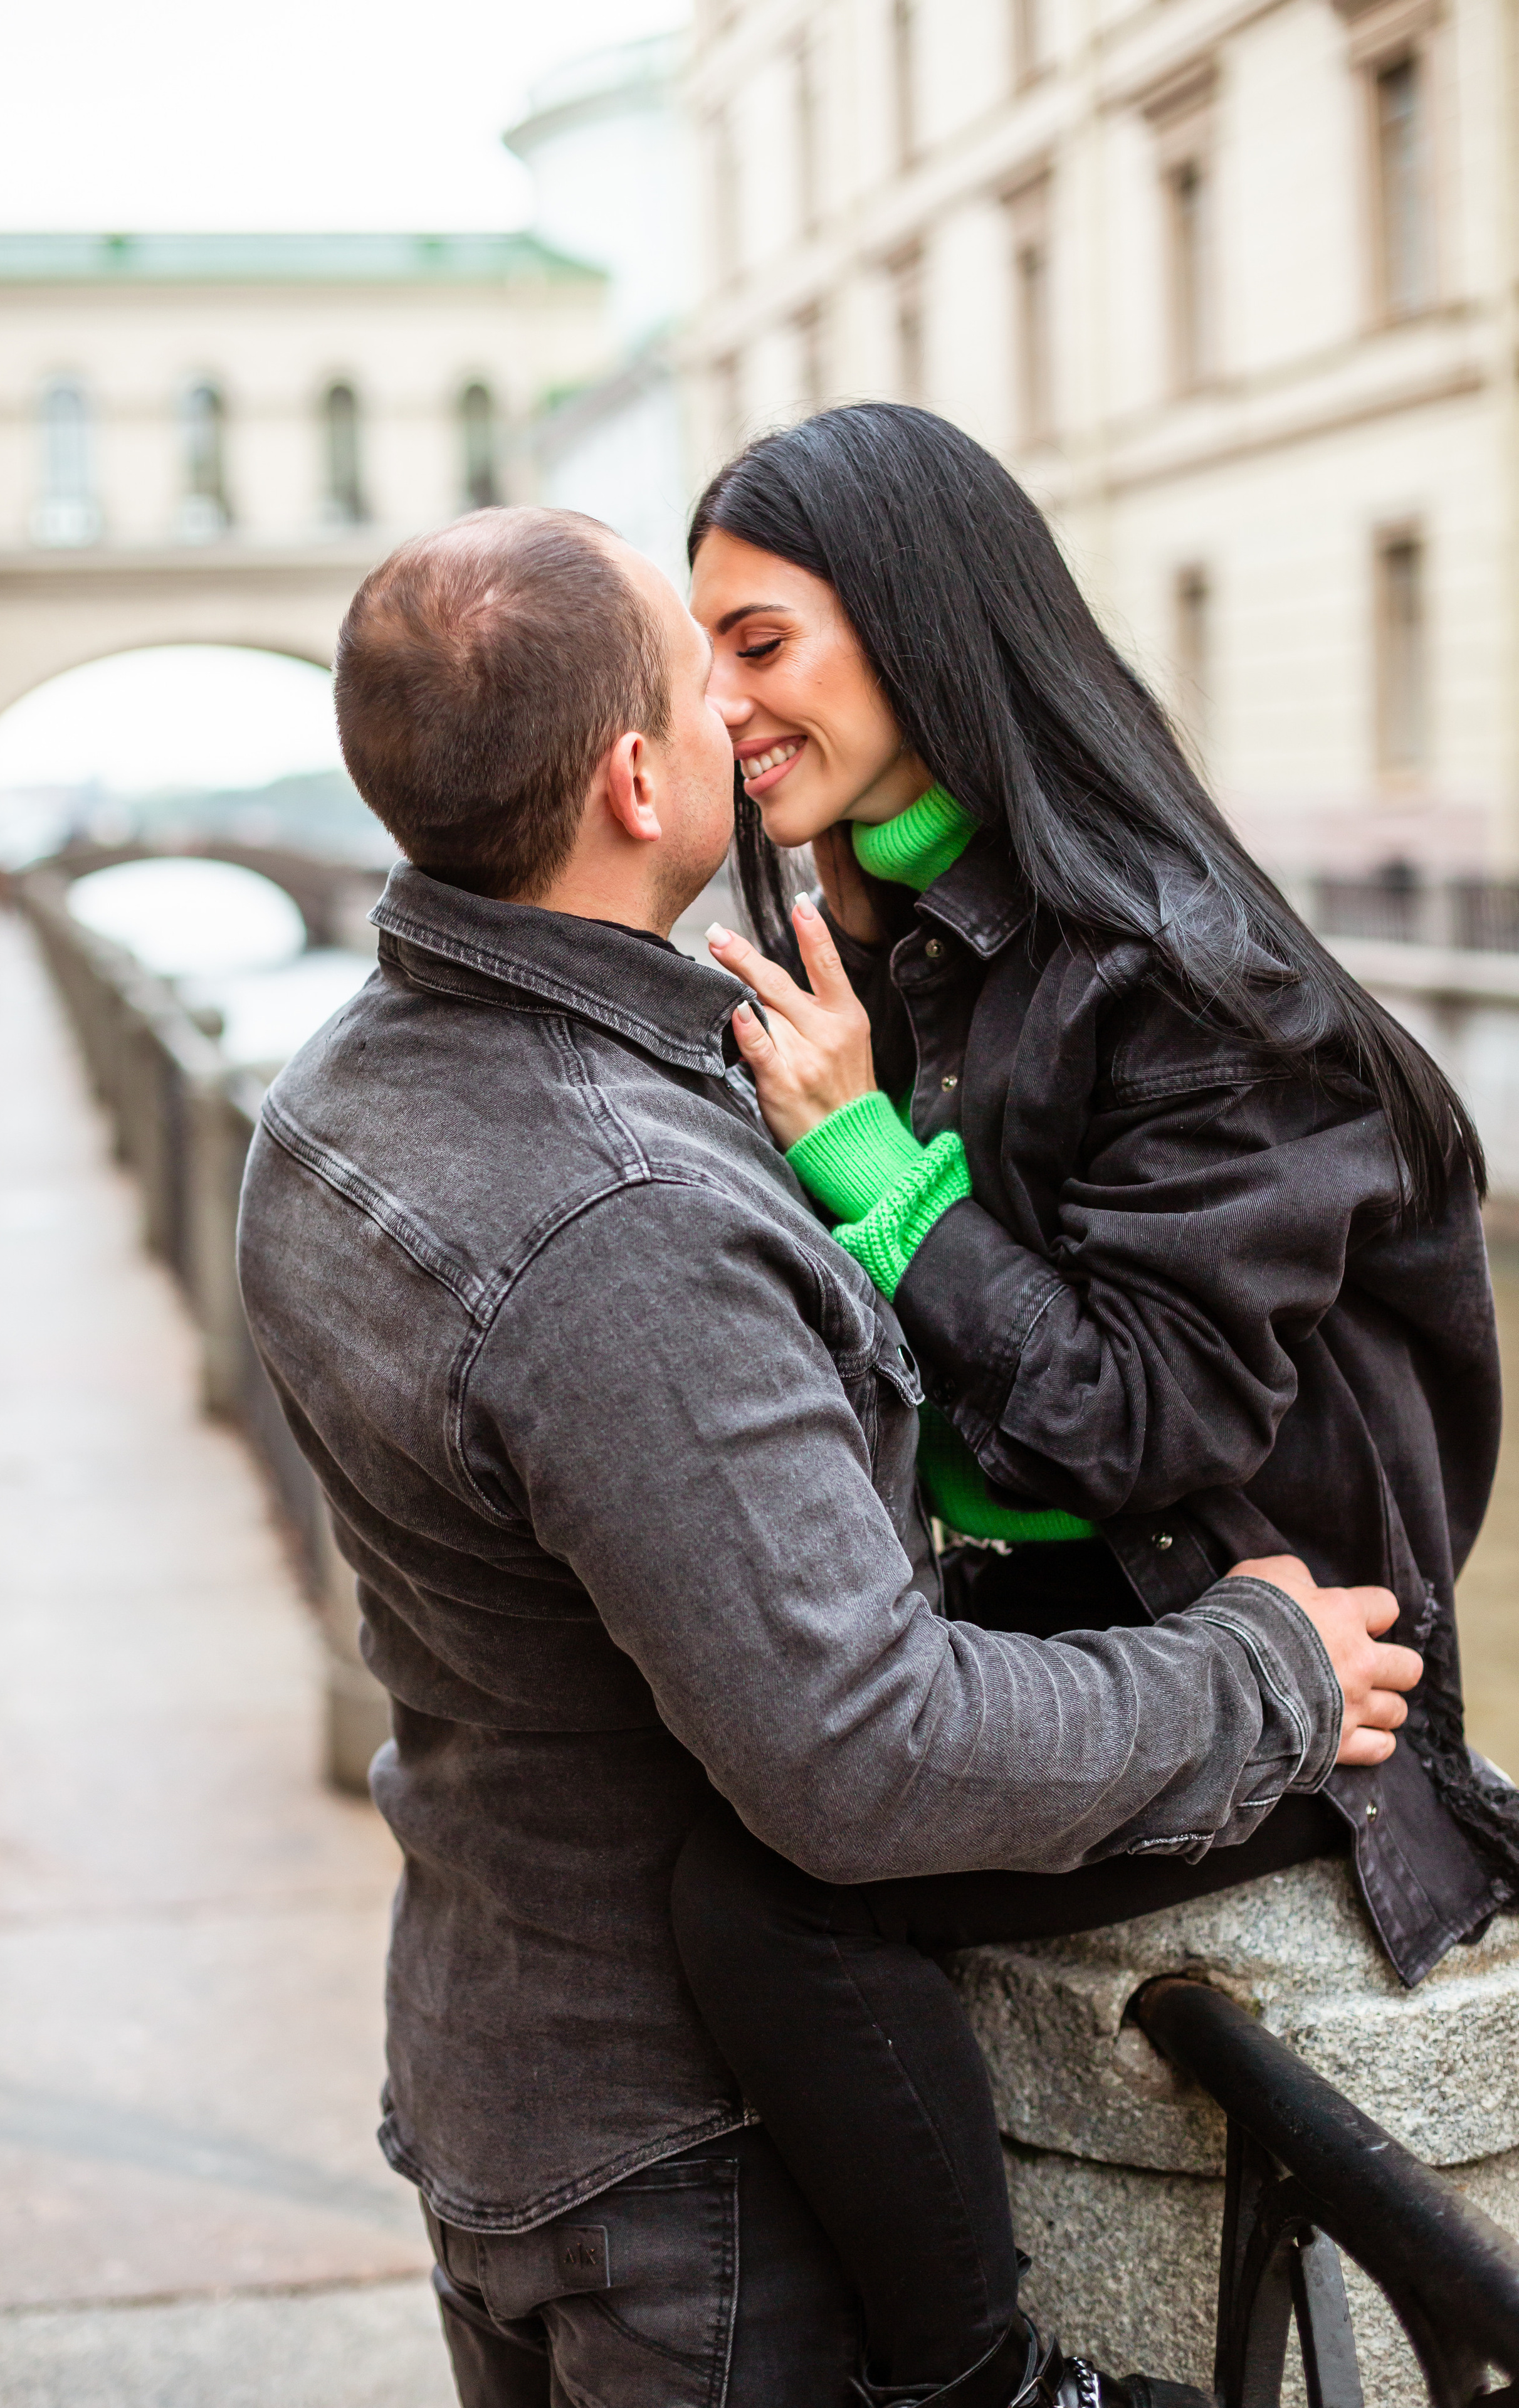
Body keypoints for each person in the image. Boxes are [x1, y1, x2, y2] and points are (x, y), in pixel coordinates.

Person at [237, 504, 1417, 2408]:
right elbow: (868, 1752)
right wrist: (1260, 1673)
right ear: (639, 782)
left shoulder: (333, 1095)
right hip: (683, 2173)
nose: (733, 707)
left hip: (495, 2053)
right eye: (694, 675)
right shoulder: (619, 1219)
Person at [669, 403, 1519, 2402]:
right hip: (1071, 1627)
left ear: (917, 622)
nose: (720, 707)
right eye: (701, 657)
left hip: (1301, 1692)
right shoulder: (907, 941)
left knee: (770, 1895)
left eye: (761, 645)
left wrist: (875, 1170)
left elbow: (1141, 1424)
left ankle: (987, 2386)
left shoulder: (1189, 982)